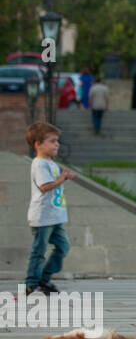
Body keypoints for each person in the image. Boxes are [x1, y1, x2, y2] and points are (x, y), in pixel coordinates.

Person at [25, 123, 76, 297]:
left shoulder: (51, 163)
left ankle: (43, 279)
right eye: (52, 141)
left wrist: (64, 178)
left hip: (55, 216)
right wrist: (61, 179)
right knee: (39, 251)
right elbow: (45, 186)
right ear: (38, 144)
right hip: (43, 216)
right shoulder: (39, 164)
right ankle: (32, 284)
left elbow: (53, 184)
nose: (57, 144)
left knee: (63, 246)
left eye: (57, 141)